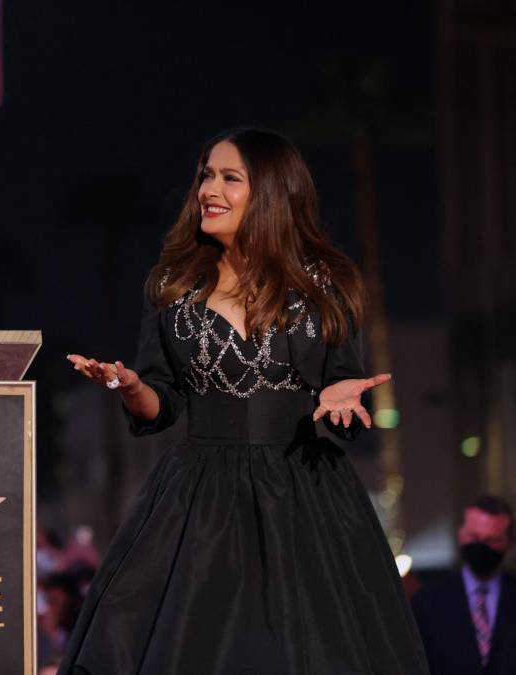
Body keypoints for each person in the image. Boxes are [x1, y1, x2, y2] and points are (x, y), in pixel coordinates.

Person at [59, 128, 429, 674]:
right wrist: (131, 388)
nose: (210, 188)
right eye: (207, 175)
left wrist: (339, 398)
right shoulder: (171, 286)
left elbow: (349, 408)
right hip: (198, 498)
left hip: (302, 496)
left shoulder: (325, 286)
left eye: (230, 177)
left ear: (273, 194)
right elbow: (162, 407)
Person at [412, 496, 516, 674]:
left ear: (509, 542)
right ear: (460, 533)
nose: (481, 546)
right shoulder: (427, 602)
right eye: (473, 537)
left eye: (492, 540)